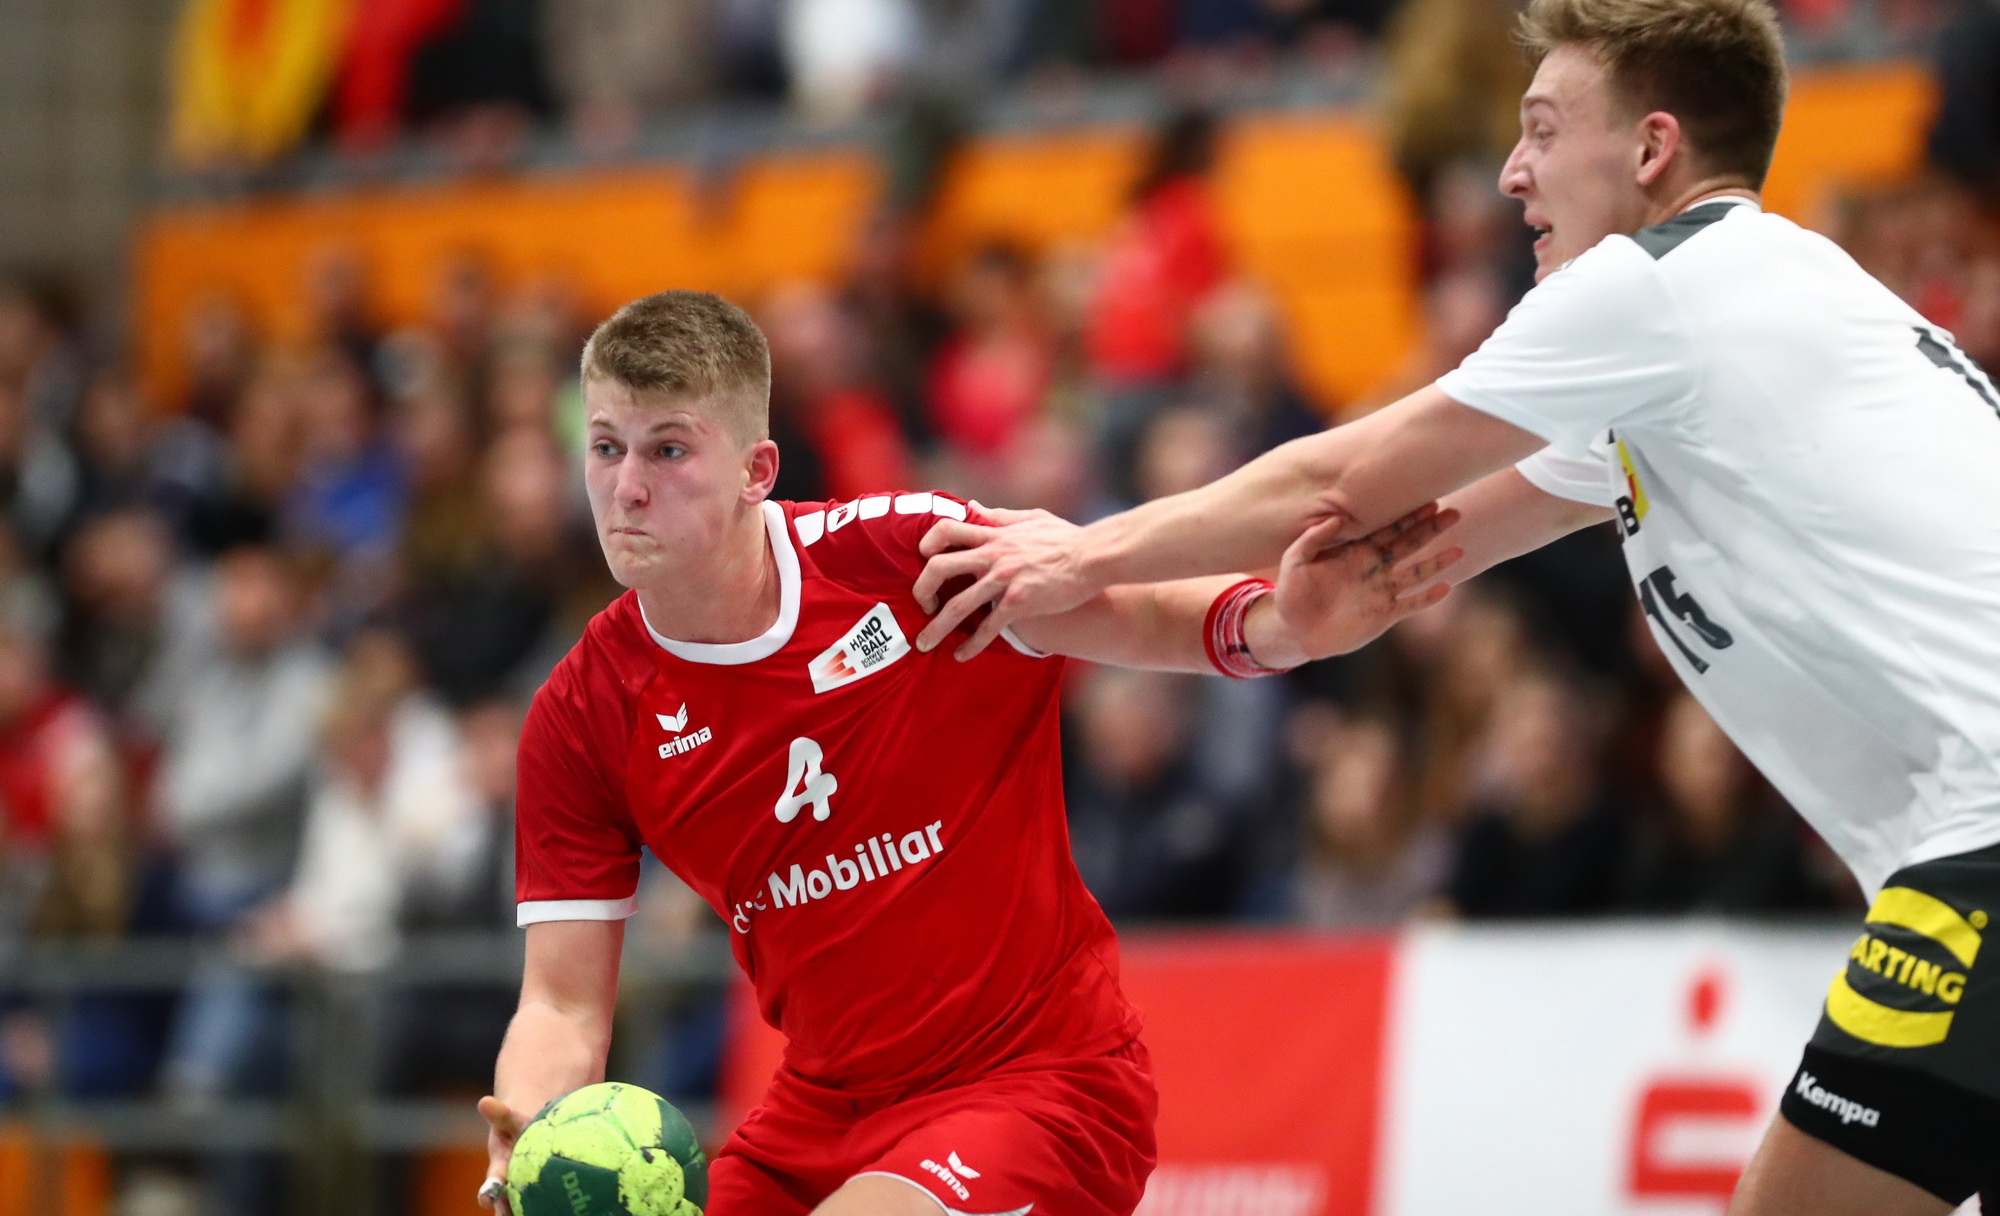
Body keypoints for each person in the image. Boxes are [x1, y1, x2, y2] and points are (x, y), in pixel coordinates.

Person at [910, 0, 2000, 1209]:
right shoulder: (1724, 339)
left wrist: (1084, 548)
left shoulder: (1664, 286)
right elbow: (1364, 565)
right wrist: (1142, 617)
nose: (1508, 172)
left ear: (1648, 151)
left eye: (1538, 130)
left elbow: (1338, 475)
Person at [473, 290, 1459, 1216]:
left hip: (1040, 1081)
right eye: (604, 447)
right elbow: (561, 999)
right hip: (824, 1110)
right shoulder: (579, 716)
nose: (628, 488)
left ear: (755, 471)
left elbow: (1132, 615)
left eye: (668, 450)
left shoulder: (901, 558)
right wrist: (524, 1122)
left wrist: (1282, 627)